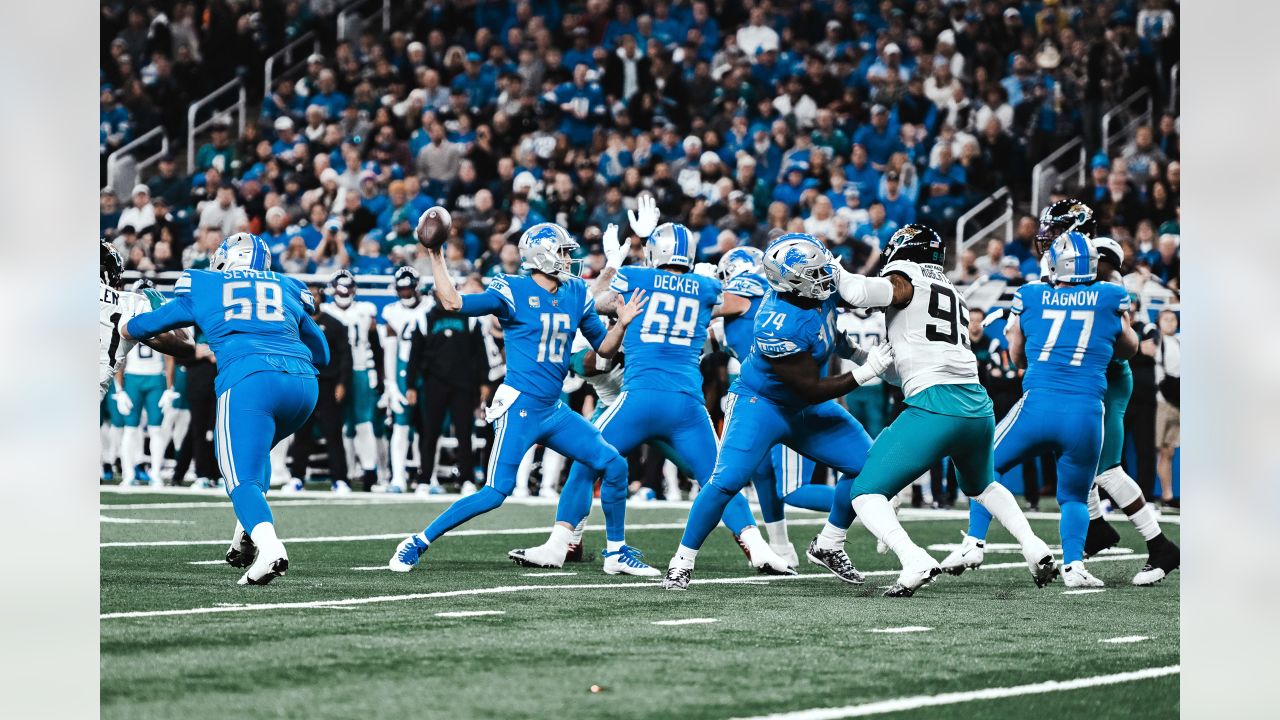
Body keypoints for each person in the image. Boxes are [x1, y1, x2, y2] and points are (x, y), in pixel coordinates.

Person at [510, 200, 786, 576]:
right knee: (719, 477)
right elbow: (738, 304)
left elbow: (594, 302)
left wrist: (618, 263)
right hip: (687, 404)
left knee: (587, 460)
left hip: (639, 399)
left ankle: (559, 544)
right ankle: (759, 549)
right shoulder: (705, 287)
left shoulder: (637, 279)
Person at [387, 219, 647, 574]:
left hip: (552, 409)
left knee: (614, 464)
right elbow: (453, 302)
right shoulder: (511, 289)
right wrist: (435, 254)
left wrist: (621, 324)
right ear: (541, 256)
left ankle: (616, 553)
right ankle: (417, 541)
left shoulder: (575, 293)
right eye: (562, 251)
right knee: (496, 491)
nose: (569, 258)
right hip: (520, 406)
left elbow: (602, 348)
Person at [661, 233, 889, 590]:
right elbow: (810, 388)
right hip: (762, 404)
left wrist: (858, 353)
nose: (825, 276)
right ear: (793, 282)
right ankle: (683, 560)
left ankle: (829, 543)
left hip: (802, 405)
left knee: (870, 467)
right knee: (727, 481)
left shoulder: (819, 291)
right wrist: (866, 372)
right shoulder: (775, 321)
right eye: (814, 273)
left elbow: (831, 332)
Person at [839, 225, 1056, 597]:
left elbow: (857, 292)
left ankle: (913, 559)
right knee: (982, 485)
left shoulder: (907, 277)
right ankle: (1034, 546)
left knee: (864, 493)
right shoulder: (951, 291)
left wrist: (832, 266)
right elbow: (902, 373)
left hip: (936, 406)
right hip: (976, 405)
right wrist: (858, 355)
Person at [120, 233, 330, 586]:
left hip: (250, 380)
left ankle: (270, 548)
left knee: (238, 475)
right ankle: (243, 536)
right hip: (304, 387)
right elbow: (321, 352)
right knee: (255, 454)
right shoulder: (286, 286)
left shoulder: (206, 283)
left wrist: (125, 325)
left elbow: (151, 325)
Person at [944, 231, 1139, 588]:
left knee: (986, 463)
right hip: (1086, 413)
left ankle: (974, 541)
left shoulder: (1031, 295)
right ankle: (1075, 567)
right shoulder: (1111, 295)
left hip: (1039, 405)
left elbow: (1016, 356)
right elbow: (1129, 349)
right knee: (1074, 497)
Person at [718, 245, 835, 567]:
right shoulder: (759, 301)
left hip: (788, 397)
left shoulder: (746, 288)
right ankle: (781, 546)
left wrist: (692, 285)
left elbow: (711, 304)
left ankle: (874, 498)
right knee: (762, 472)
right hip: (765, 396)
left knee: (793, 489)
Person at [1081, 238, 1180, 585]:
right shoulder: (1097, 283)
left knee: (1107, 470)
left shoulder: (1109, 285)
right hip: (1097, 376)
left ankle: (1160, 545)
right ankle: (1094, 528)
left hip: (1108, 376)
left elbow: (1123, 343)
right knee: (1078, 458)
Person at [406, 274, 490, 491]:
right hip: (435, 383)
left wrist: (484, 381)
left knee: (464, 433)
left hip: (464, 384)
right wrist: (411, 385)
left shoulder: (470, 318)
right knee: (430, 432)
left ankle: (467, 479)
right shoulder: (424, 319)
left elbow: (480, 353)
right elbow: (414, 355)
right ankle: (424, 479)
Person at [287, 283, 353, 492]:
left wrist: (342, 383)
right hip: (302, 384)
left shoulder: (334, 324)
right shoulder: (294, 323)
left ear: (321, 297)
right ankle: (297, 477)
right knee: (301, 433)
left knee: (333, 433)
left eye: (314, 294)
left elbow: (345, 357)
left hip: (326, 384)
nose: (311, 298)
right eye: (308, 295)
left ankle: (340, 479)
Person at [322, 270, 384, 491]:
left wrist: (380, 374)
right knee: (340, 426)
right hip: (334, 374)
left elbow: (376, 346)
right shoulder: (324, 312)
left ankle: (369, 472)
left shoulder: (366, 311)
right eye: (340, 287)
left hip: (359, 369)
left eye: (348, 287)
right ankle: (345, 473)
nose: (344, 292)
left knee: (363, 423)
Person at [379, 267, 434, 493]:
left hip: (427, 369)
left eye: (409, 287)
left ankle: (428, 476)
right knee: (401, 426)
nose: (405, 292)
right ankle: (398, 477)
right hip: (402, 370)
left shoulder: (431, 306)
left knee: (429, 428)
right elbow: (389, 349)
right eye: (401, 288)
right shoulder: (392, 312)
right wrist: (390, 383)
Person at [115, 279, 170, 487]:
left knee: (156, 429)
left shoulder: (161, 319)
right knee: (130, 429)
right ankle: (129, 474)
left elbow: (170, 356)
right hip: (134, 378)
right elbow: (119, 356)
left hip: (155, 378)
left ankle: (155, 473)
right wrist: (119, 389)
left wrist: (170, 388)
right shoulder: (126, 318)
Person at [1154, 308, 1180, 508]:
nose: (1170, 323)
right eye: (1166, 319)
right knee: (1160, 449)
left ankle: (1168, 494)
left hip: (1178, 401)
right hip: (1162, 400)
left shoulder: (1180, 342)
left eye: (1173, 320)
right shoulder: (1156, 341)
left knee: (1169, 451)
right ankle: (1164, 494)